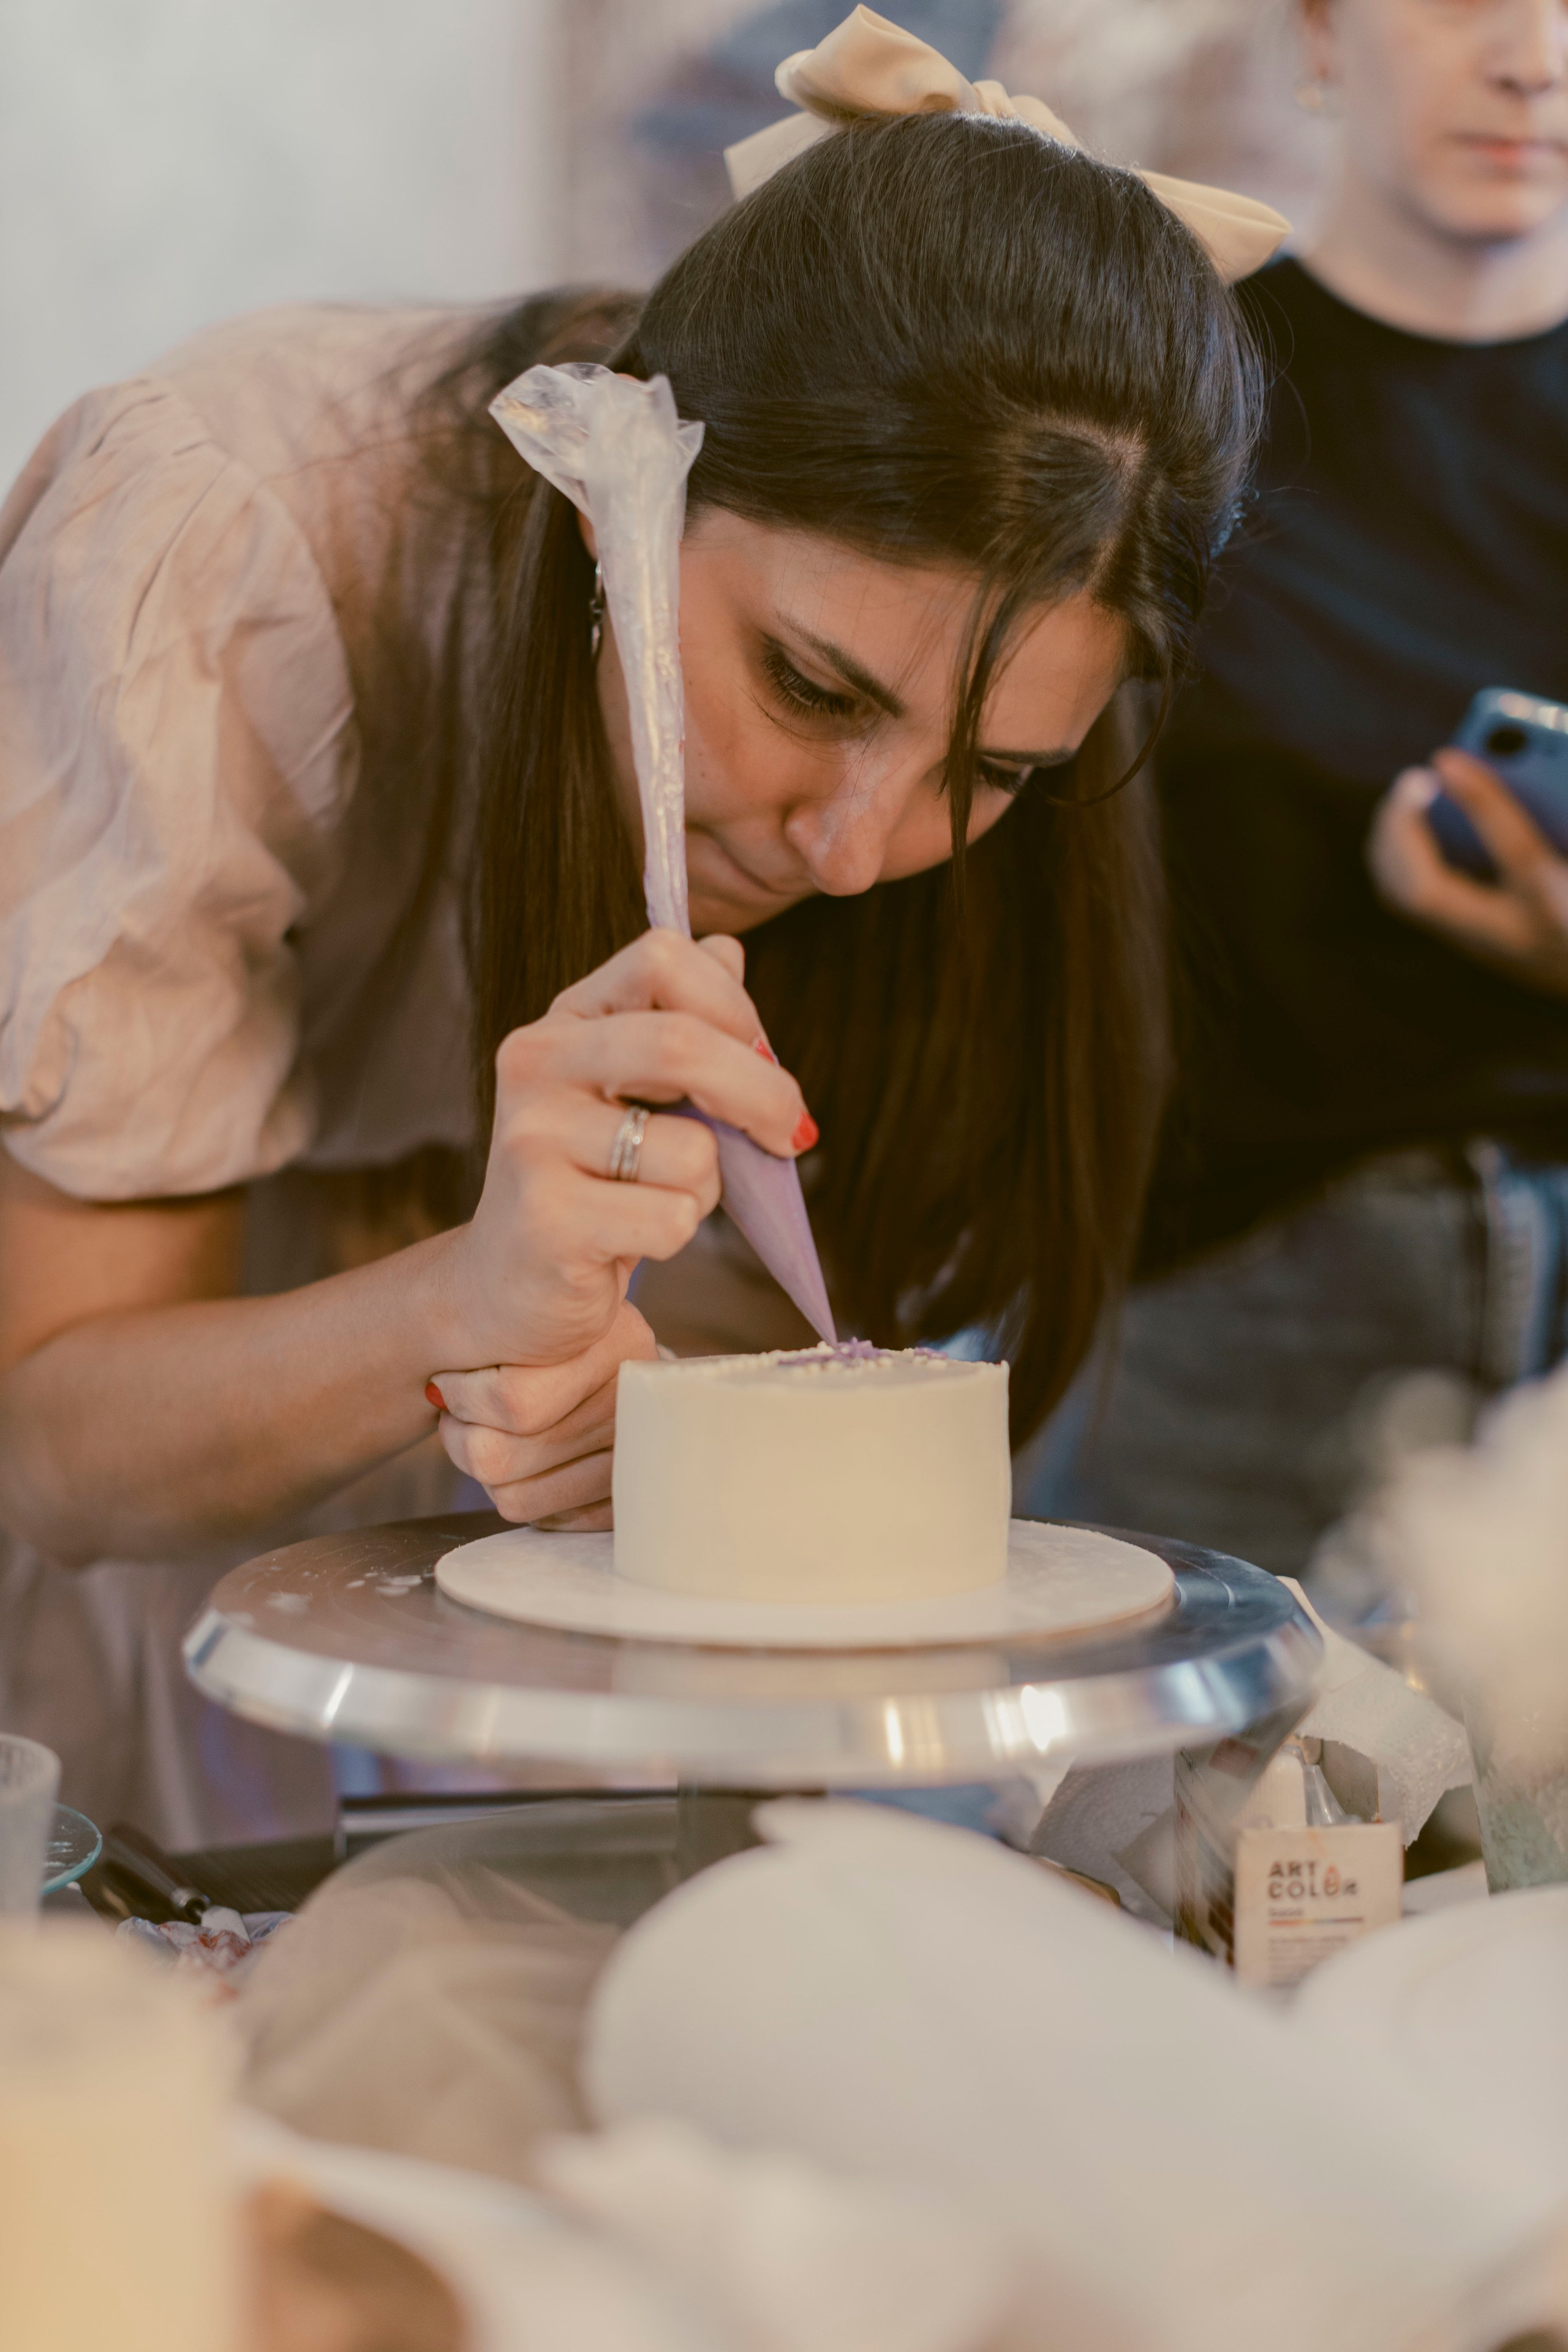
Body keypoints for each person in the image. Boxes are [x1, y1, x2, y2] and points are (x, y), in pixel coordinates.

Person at [0, 19, 1272, 1843]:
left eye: (988, 771)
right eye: (809, 684)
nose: (853, 852)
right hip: (140, 1633)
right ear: (627, 490)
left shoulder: (991, 783)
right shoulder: (237, 540)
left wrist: (669, 1406)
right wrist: (460, 1303)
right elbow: (51, 1447)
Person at [1025, 0, 1568, 1585]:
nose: (1533, 61)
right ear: (1324, 32)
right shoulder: (1164, 410)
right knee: (1140, 1820)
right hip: (1231, 1290)